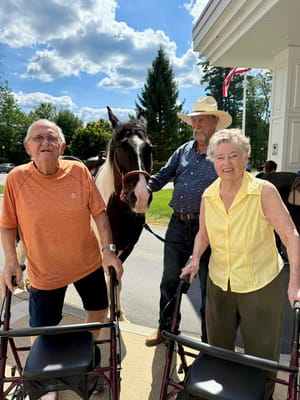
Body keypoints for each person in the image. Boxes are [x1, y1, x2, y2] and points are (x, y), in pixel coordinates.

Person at [0, 119, 123, 398]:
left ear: (62, 146)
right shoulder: (17, 179)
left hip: (88, 264)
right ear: (27, 147)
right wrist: (10, 262)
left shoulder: (78, 171)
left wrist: (108, 251)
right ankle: (42, 376)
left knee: (98, 312)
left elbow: (100, 214)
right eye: (38, 138)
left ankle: (88, 356)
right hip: (45, 273)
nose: (45, 143)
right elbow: (7, 225)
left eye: (52, 138)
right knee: (42, 327)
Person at [180, 128, 300, 399]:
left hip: (261, 283)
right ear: (213, 160)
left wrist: (294, 285)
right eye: (220, 157)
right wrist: (195, 259)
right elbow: (204, 233)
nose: (227, 163)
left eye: (233, 155)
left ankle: (262, 395)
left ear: (245, 158)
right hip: (220, 283)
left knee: (261, 356)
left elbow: (291, 236)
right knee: (219, 351)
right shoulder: (209, 194)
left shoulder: (262, 191)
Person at [145, 96, 232, 346]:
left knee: (208, 285)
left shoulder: (223, 153)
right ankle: (166, 329)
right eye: (194, 121)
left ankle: (209, 339)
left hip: (209, 229)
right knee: (169, 279)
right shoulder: (183, 150)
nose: (197, 126)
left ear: (215, 123)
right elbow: (163, 175)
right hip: (177, 225)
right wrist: (145, 188)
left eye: (202, 120)